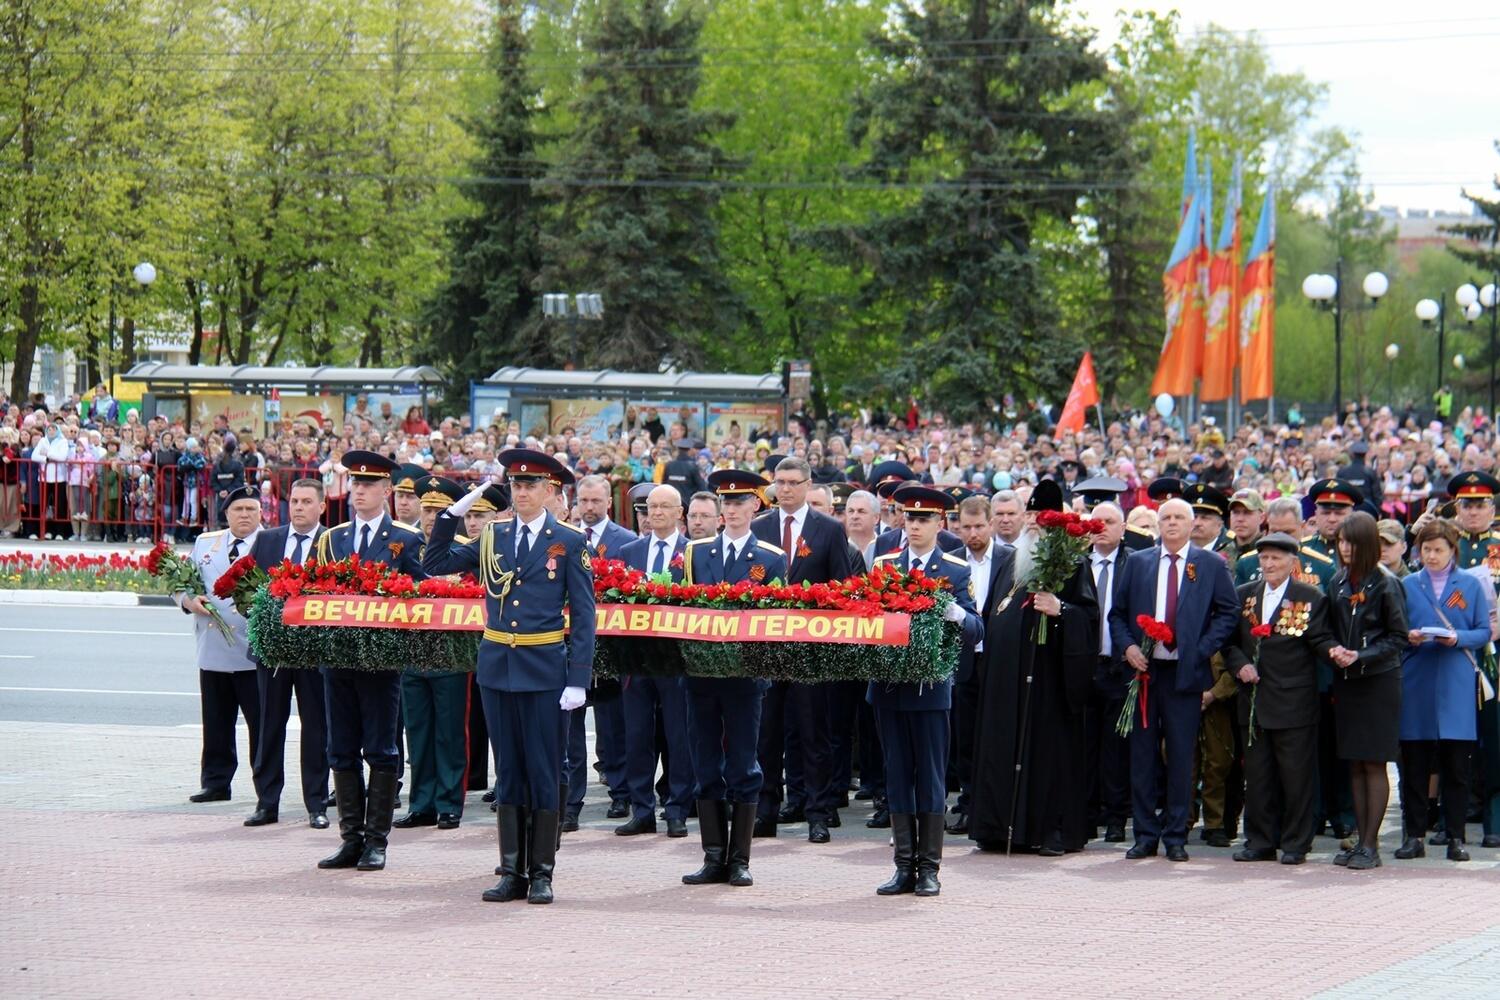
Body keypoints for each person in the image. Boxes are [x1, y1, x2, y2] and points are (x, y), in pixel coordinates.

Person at [424, 449, 596, 905]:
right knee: (510, 772)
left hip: (544, 669)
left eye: (531, 486)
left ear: (548, 491)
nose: (521, 493)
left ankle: (541, 872)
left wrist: (578, 677)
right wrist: (454, 511)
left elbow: (583, 615)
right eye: (515, 486)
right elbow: (434, 562)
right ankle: (509, 870)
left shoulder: (570, 541)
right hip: (498, 667)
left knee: (541, 769)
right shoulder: (491, 537)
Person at [311, 450, 427, 873]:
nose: (359, 490)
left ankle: (377, 841)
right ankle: (350, 839)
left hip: (381, 661)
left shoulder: (405, 538)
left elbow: (419, 594)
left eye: (368, 485)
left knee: (380, 748)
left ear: (386, 491)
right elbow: (317, 593)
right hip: (338, 658)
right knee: (340, 749)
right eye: (355, 484)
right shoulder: (333, 538)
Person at [969, 479, 1098, 855]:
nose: (1032, 522)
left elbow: (1088, 620)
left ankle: (1047, 830)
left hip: (1046, 683)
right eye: (1030, 514)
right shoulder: (1011, 560)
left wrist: (1061, 612)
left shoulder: (1072, 563)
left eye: (1040, 515)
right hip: (1003, 682)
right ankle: (996, 826)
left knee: (1045, 752)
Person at [1109, 497, 1239, 861]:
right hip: (1145, 675)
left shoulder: (1210, 564)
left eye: (1179, 517)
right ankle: (1145, 834)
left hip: (1186, 673)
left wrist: (1201, 647)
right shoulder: (1138, 563)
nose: (1172, 523)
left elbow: (1228, 613)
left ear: (1192, 523)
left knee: (1182, 757)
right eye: (1165, 518)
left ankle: (1176, 835)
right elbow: (1117, 614)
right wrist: (1129, 648)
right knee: (1143, 756)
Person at [869, 486, 981, 896]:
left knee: (930, 777)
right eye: (909, 518)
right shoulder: (884, 564)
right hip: (888, 686)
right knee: (897, 775)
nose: (914, 526)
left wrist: (955, 613)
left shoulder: (954, 569)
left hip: (930, 688)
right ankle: (903, 866)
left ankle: (929, 867)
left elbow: (976, 627)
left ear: (940, 524)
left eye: (923, 520)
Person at [680, 469, 786, 887]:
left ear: (756, 505)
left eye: (741, 502)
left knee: (743, 763)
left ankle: (739, 859)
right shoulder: (697, 554)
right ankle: (712, 856)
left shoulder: (770, 558)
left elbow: (778, 618)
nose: (733, 510)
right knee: (705, 762)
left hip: (745, 675)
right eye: (727, 503)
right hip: (702, 675)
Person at [750, 455, 852, 842]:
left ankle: (818, 812)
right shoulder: (759, 528)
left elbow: (843, 586)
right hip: (769, 646)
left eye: (794, 482)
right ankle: (766, 811)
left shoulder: (828, 529)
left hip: (811, 647)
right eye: (781, 482)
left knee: (814, 733)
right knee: (767, 733)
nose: (787, 489)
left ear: (808, 485)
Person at [1223, 532, 1340, 865]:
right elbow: (1229, 642)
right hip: (1253, 701)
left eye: (1276, 558)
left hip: (1294, 701)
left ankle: (1295, 843)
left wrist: (1338, 653)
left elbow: (1320, 639)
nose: (1270, 564)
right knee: (1258, 776)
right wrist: (1240, 665)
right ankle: (1259, 840)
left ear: (1293, 562)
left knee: (1296, 776)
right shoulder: (1244, 594)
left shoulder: (1310, 596)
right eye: (1265, 558)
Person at [1396, 517, 1492, 862]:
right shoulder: (1408, 584)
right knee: (1416, 764)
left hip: (1455, 677)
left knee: (1456, 766)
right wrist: (1410, 635)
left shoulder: (1469, 584)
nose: (1431, 556)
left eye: (1438, 550)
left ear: (1453, 550)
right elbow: (1396, 629)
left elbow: (1483, 631)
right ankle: (1414, 835)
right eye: (1426, 550)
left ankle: (1456, 837)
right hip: (1418, 677)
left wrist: (1458, 638)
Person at [244, 478, 329, 829]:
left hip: (312, 652)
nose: (298, 507)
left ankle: (316, 804)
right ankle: (267, 802)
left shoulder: (332, 542)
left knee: (316, 728)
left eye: (307, 502)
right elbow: (246, 587)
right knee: (268, 725)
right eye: (294, 501)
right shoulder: (267, 540)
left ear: (322, 506)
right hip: (273, 652)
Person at [1326, 511, 1408, 869]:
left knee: (1374, 763)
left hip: (1377, 681)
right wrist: (1333, 649)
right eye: (1341, 541)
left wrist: (1360, 654)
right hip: (1347, 681)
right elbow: (1327, 626)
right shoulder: (1338, 581)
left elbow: (1398, 637)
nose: (1344, 548)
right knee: (1355, 763)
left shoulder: (1385, 582)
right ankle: (1361, 841)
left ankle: (1371, 846)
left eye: (1351, 541)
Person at [614, 485, 694, 838]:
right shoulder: (628, 551)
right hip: (636, 660)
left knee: (679, 735)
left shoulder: (693, 553)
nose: (656, 513)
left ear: (680, 513)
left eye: (665, 507)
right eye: (650, 507)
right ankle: (641, 808)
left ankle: (677, 808)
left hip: (676, 659)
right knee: (636, 736)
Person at [393, 475, 472, 832]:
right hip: (412, 651)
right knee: (418, 733)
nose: (431, 517)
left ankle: (449, 803)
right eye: (427, 509)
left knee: (450, 733)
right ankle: (421, 803)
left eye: (440, 510)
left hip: (450, 653)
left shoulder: (464, 549)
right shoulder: (404, 544)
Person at [176, 485, 263, 805]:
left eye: (250, 510)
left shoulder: (271, 543)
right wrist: (187, 600)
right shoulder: (205, 542)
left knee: (261, 724)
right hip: (213, 648)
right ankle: (215, 782)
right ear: (226, 514)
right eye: (238, 510)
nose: (244, 515)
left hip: (254, 652)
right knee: (216, 721)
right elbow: (182, 582)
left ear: (260, 514)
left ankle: (264, 785)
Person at [946, 493, 1014, 835]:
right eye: (966, 526)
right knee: (967, 737)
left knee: (1000, 733)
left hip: (1000, 659)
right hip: (964, 660)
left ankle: (999, 806)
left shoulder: (1011, 560)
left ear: (991, 524)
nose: (972, 533)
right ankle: (969, 806)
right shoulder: (952, 561)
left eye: (978, 526)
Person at [573, 474, 635, 824]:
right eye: (584, 501)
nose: (590, 507)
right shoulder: (565, 537)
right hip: (573, 645)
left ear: (609, 502)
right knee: (571, 726)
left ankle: (620, 793)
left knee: (614, 725)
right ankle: (572, 798)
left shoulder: (625, 543)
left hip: (611, 647)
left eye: (596, 501)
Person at [1446, 471, 1500, 846]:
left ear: (1493, 508)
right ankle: (1456, 814)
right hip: (1456, 652)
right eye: (1467, 505)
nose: (1474, 512)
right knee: (1455, 735)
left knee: (1494, 735)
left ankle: (1494, 814)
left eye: (1480, 505)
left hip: (1496, 654)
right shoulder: (1446, 545)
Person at [1085, 501, 1131, 843]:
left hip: (1119, 668)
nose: (1102, 527)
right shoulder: (1075, 563)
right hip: (1083, 668)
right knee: (1085, 745)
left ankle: (1116, 816)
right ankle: (1086, 813)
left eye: (1110, 521)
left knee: (1116, 748)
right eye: (1097, 521)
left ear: (1123, 527)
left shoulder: (1135, 564)